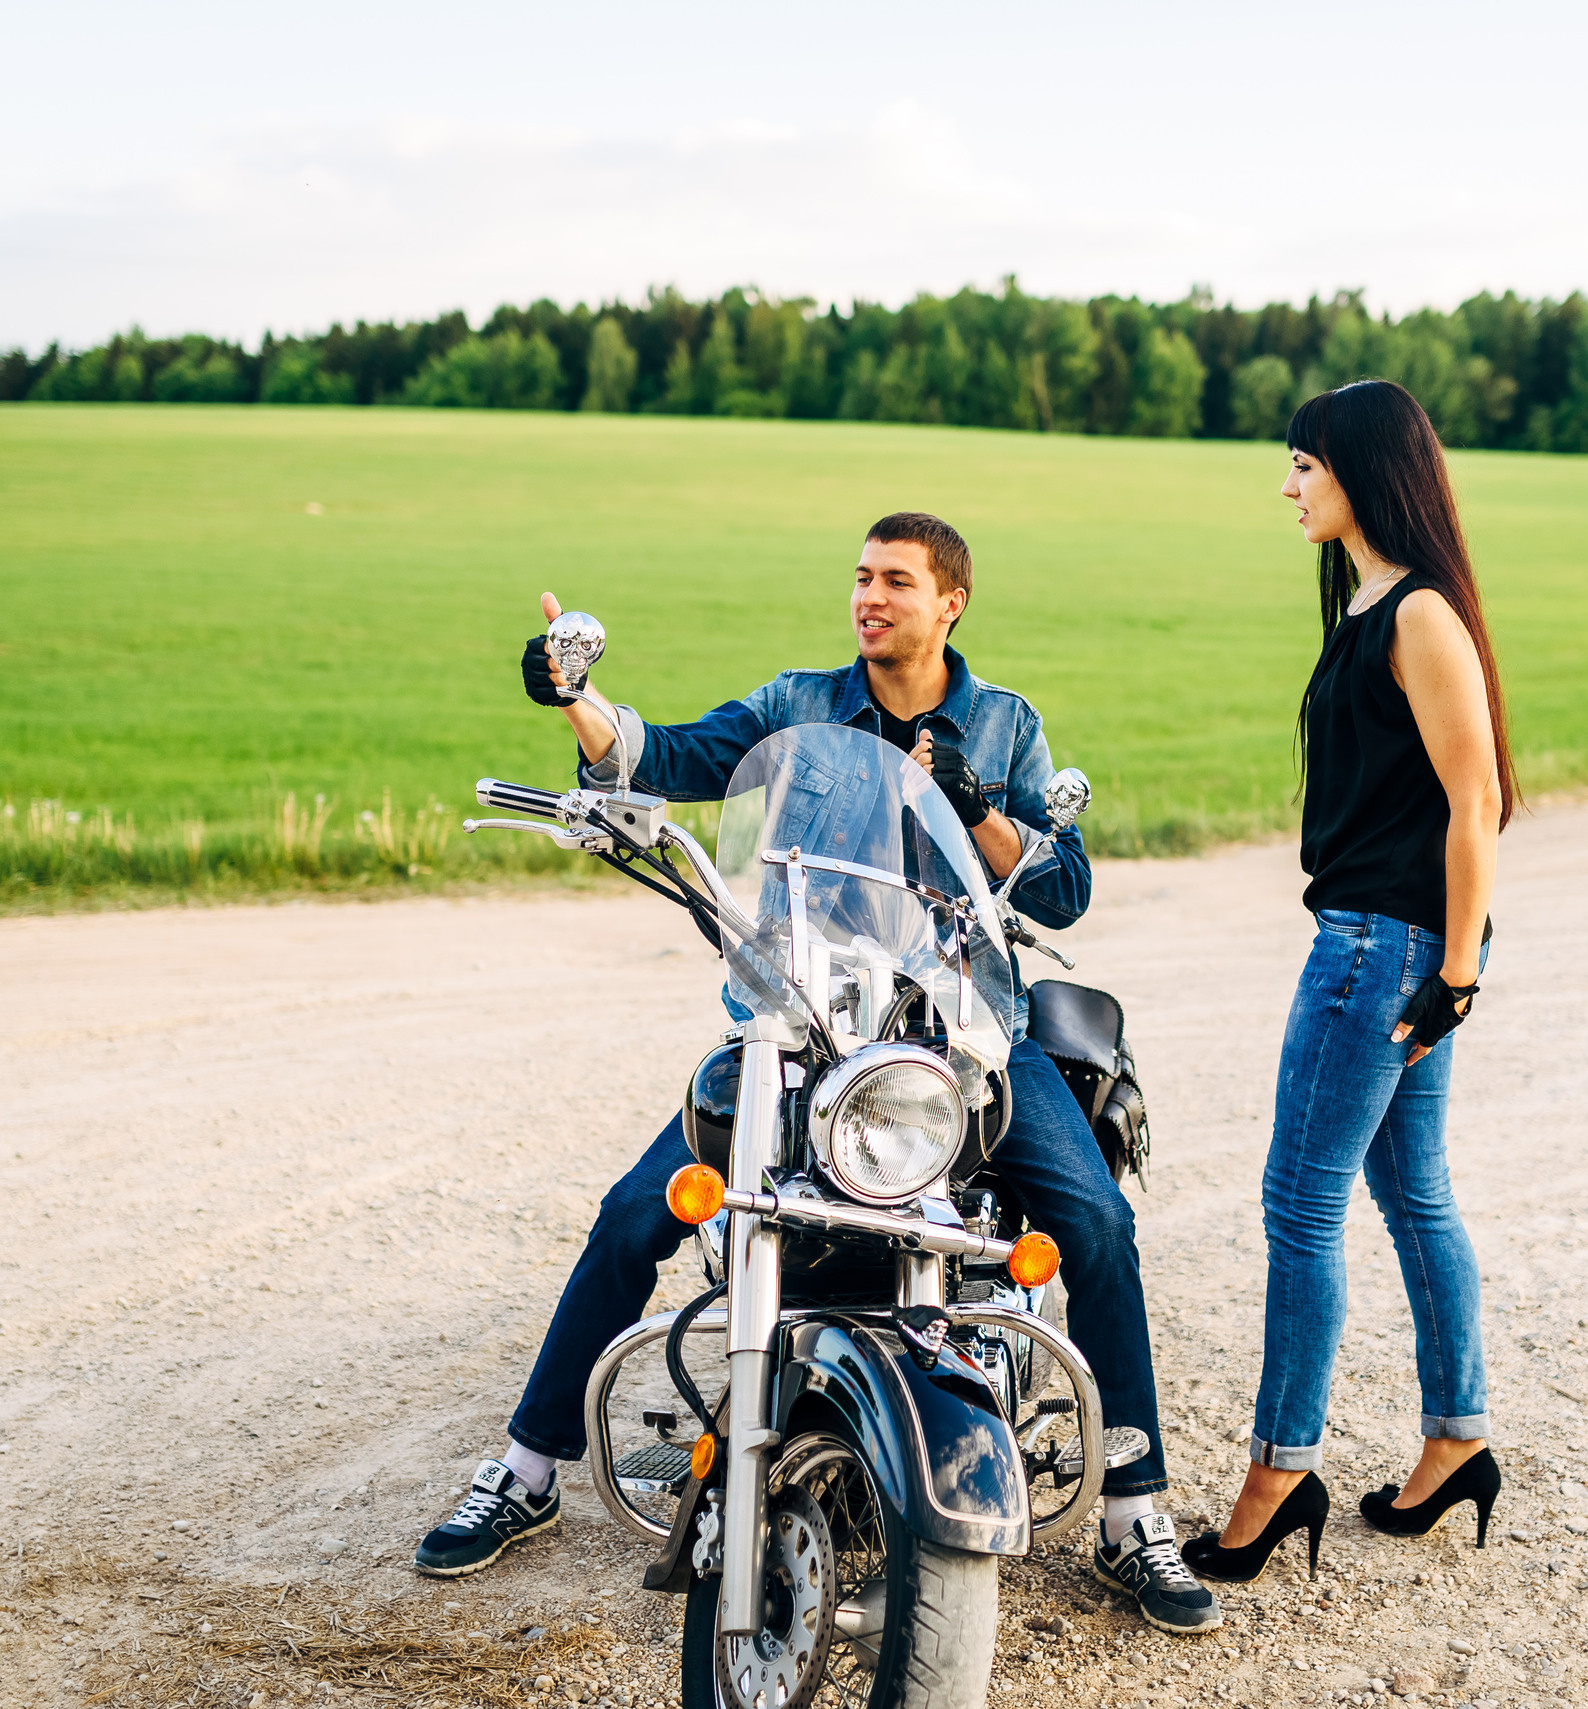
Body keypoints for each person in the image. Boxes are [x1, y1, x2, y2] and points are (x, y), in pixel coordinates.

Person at [412, 512, 1219, 1636]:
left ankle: (1137, 1511)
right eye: (860, 577)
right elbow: (671, 754)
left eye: (896, 580)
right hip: (799, 1023)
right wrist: (575, 701)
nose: (869, 596)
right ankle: (525, 1466)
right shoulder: (797, 703)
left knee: (1093, 1218)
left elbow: (1061, 891)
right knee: (632, 1214)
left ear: (951, 603)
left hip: (962, 1030)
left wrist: (980, 807)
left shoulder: (1005, 722)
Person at [1181, 383, 1515, 1584]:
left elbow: (1476, 799)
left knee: (1299, 1203)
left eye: (1304, 465)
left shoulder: (1420, 615)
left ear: (1362, 473)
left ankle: (1277, 1472)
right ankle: (1456, 1437)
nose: (1288, 486)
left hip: (1383, 947)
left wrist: (1459, 970)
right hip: (1393, 939)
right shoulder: (1371, 603)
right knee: (1411, 1190)